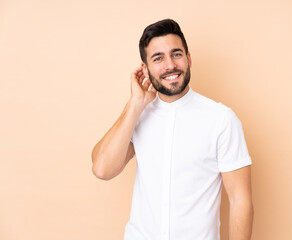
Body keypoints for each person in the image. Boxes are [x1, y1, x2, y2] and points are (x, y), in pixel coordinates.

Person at [91, 19, 254, 240]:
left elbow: (240, 201)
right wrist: (135, 104)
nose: (170, 65)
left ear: (188, 59)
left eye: (176, 54)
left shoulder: (221, 119)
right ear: (145, 68)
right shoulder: (138, 116)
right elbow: (102, 169)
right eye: (158, 58)